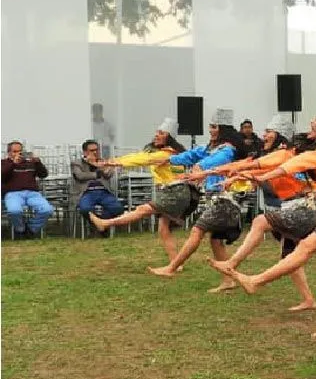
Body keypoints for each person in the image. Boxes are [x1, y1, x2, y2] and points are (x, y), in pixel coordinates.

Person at [214, 106, 316, 339]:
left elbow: (293, 165)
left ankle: (256, 281)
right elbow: (287, 163)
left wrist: (260, 177)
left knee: (306, 247)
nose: (312, 121)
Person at [147, 108, 249, 280]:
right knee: (216, 241)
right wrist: (169, 160)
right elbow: (192, 155)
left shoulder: (227, 150)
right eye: (210, 126)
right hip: (217, 200)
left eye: (214, 126)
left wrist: (199, 169)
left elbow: (211, 162)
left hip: (226, 201)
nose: (210, 130)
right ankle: (229, 280)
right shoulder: (212, 147)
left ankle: (172, 267)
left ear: (223, 129)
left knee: (197, 231)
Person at [91, 119, 191, 262]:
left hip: (175, 192)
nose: (156, 135)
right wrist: (112, 162)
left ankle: (105, 223)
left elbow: (140, 159)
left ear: (169, 137)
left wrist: (110, 162)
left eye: (161, 133)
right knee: (164, 231)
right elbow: (139, 157)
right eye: (157, 132)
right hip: (174, 191)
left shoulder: (165, 155)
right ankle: (176, 264)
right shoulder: (170, 154)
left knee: (142, 210)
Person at [70, 140, 124, 236]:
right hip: (86, 192)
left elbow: (108, 175)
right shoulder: (77, 163)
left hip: (103, 191)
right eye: (92, 150)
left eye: (97, 150)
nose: (95, 152)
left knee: (118, 208)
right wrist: (96, 171)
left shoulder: (102, 161)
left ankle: (101, 223)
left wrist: (107, 167)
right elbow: (80, 176)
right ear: (85, 152)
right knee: (85, 209)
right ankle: (101, 227)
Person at [2, 141, 53, 239]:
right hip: (13, 193)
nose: (18, 154)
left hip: (32, 193)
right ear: (9, 153)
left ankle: (31, 229)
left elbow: (43, 175)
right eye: (15, 151)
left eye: (20, 151)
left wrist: (38, 163)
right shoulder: (4, 163)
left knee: (47, 210)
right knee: (14, 211)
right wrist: (13, 163)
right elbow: (2, 175)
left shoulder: (30, 163)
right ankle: (20, 230)